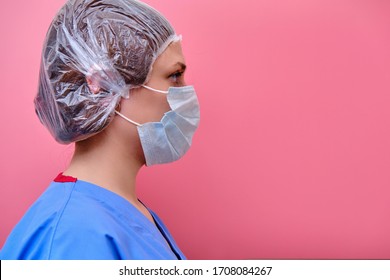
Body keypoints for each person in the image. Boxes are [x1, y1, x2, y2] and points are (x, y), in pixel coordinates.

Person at [0, 0, 199, 260]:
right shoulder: (75, 235)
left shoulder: (123, 212)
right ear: (103, 83)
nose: (186, 92)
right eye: (174, 76)